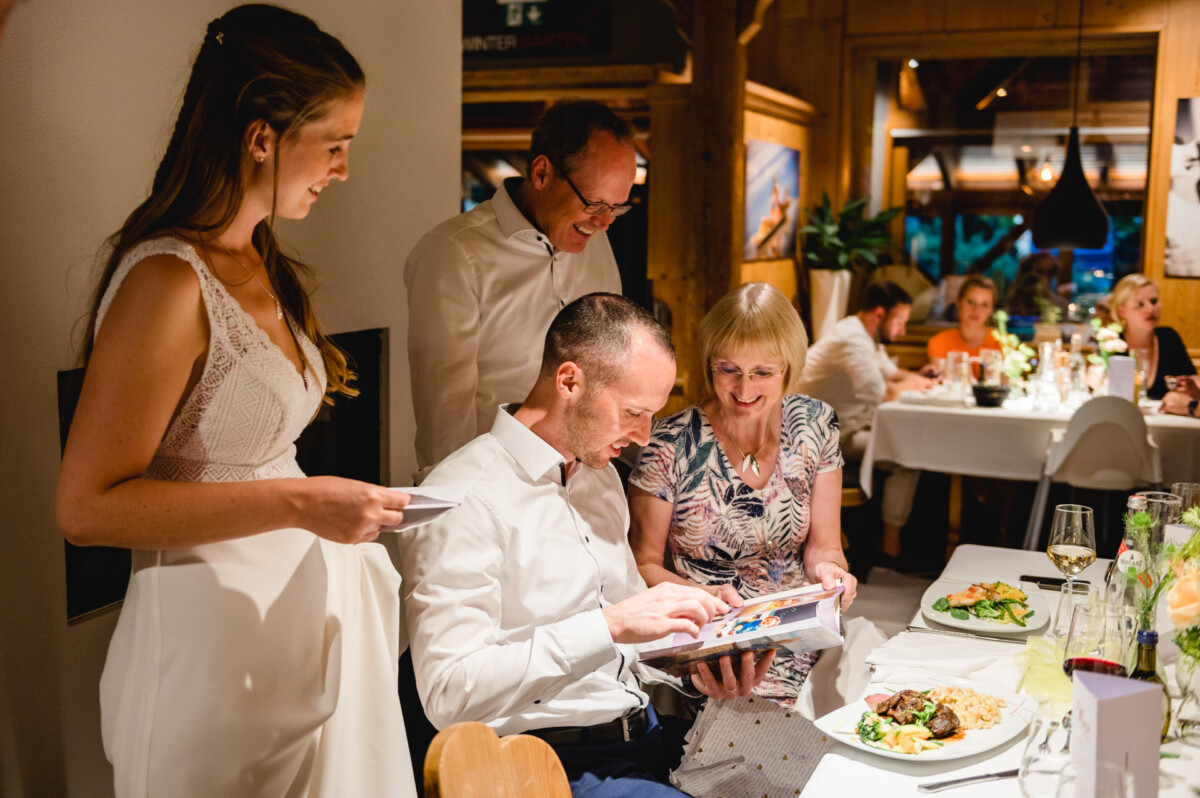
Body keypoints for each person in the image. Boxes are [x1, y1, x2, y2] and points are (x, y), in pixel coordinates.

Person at [53, 7, 414, 796]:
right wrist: (297, 502)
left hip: (288, 636)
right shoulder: (166, 282)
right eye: (334, 146)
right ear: (263, 136)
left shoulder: (257, 260)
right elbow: (84, 507)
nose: (344, 170)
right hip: (207, 655)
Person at [399, 294, 772, 797]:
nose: (643, 437)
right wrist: (610, 624)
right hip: (544, 762)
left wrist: (705, 649)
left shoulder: (598, 478)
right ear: (569, 381)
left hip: (643, 733)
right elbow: (448, 693)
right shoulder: (463, 496)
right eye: (632, 413)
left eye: (652, 415)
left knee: (822, 775)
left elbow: (625, 641)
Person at [628, 282, 857, 710]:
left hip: (797, 633)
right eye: (727, 369)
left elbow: (825, 547)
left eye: (763, 373)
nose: (744, 389)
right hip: (707, 636)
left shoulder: (815, 424)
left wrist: (832, 574)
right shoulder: (670, 443)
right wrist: (704, 596)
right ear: (707, 364)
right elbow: (642, 566)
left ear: (790, 366)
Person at [404, 99, 637, 478]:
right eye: (594, 204)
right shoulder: (453, 254)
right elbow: (444, 415)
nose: (606, 223)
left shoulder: (599, 244)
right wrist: (457, 505)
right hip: (500, 485)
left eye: (617, 208)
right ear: (542, 172)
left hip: (587, 480)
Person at [796, 282, 932, 564]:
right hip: (814, 437)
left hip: (844, 427)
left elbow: (893, 375)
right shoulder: (852, 340)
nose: (903, 331)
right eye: (899, 322)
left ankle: (889, 543)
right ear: (879, 315)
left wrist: (922, 379)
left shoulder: (866, 337)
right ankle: (889, 548)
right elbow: (884, 392)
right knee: (906, 457)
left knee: (908, 447)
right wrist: (925, 384)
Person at [1109, 273, 1196, 400]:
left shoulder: (1168, 338)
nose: (1151, 309)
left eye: (1154, 301)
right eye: (1140, 304)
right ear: (1122, 311)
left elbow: (1192, 379)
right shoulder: (1111, 342)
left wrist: (1192, 388)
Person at [927, 275, 1003, 360]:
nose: (976, 310)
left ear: (991, 309)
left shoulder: (1004, 343)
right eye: (970, 302)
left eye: (984, 305)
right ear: (958, 302)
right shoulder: (940, 342)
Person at [1006, 251, 1069, 318]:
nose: (1044, 277)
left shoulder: (1061, 304)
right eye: (1040, 272)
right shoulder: (1014, 301)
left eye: (1050, 272)